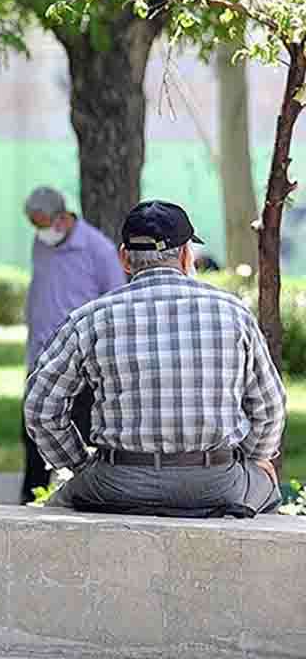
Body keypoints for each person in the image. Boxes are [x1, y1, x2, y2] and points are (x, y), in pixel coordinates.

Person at [27, 201, 285, 517]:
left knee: (56, 508)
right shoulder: (234, 314)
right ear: (186, 255)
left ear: (124, 258)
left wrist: (78, 464)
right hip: (217, 482)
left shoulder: (90, 318)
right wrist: (251, 457)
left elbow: (40, 408)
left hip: (117, 482)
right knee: (266, 483)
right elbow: (270, 407)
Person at [20, 185, 126, 502]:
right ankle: (30, 501)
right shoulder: (41, 243)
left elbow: (115, 302)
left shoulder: (98, 249)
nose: (40, 231)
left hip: (80, 362)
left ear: (63, 219)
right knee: (32, 434)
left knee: (76, 431)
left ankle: (82, 497)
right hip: (41, 357)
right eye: (34, 225)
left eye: (42, 223)